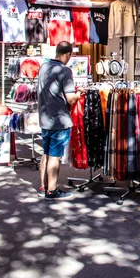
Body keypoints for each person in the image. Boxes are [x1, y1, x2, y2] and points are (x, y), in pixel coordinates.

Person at [37, 41, 84, 201]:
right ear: (68, 54)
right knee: (55, 156)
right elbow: (71, 99)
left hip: (45, 118)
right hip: (59, 120)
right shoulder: (65, 71)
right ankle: (52, 190)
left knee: (46, 153)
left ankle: (43, 186)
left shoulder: (44, 67)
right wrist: (78, 94)